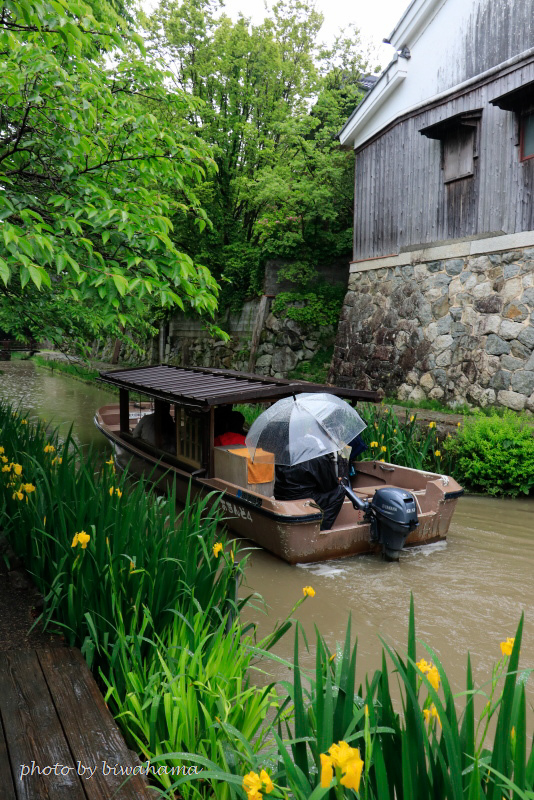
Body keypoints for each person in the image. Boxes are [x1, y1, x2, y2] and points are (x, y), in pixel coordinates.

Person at [274, 452, 346, 531]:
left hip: (281, 496)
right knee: (339, 492)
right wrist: (337, 480)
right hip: (303, 500)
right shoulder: (316, 455)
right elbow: (328, 485)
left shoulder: (285, 451)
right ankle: (321, 530)